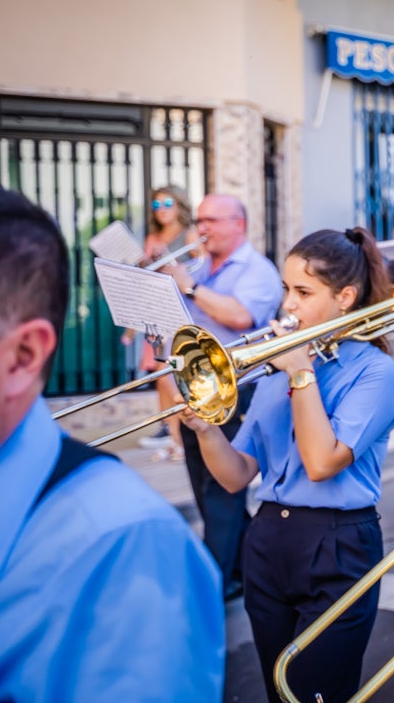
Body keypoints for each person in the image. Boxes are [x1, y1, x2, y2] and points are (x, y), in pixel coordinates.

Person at [0, 184, 224, 701]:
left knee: (173, 395)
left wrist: (182, 279)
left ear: (24, 356)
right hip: (165, 335)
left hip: (194, 345)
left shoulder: (124, 546)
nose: (163, 211)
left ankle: (178, 440)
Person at [182, 227, 394, 703]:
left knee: (314, 694)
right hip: (267, 543)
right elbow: (236, 473)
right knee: (277, 691)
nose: (289, 305)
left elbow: (322, 462)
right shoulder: (279, 367)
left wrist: (301, 372)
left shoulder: (376, 372)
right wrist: (205, 428)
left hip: (338, 545)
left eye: (303, 292)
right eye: (286, 290)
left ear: (345, 297)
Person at [157, 194, 283, 600]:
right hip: (197, 389)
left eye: (212, 219)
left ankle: (214, 583)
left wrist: (189, 287)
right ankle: (247, 569)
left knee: (223, 493)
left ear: (238, 224)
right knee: (204, 487)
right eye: (201, 219)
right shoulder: (199, 267)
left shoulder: (257, 270)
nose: (203, 226)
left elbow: (240, 316)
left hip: (238, 392)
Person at [134, 185, 202, 460]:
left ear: (180, 204)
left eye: (168, 203)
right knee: (162, 376)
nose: (162, 210)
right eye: (156, 205)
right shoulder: (153, 237)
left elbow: (202, 268)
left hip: (182, 310)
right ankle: (172, 433)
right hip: (158, 309)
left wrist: (171, 262)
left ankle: (182, 438)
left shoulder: (190, 234)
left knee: (174, 374)